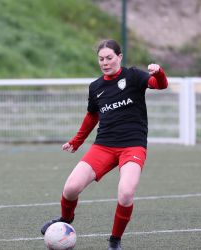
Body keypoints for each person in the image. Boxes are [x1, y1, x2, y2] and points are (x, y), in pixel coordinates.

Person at [40, 39, 168, 250]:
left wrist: (159, 72)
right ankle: (65, 219)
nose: (105, 62)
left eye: (109, 58)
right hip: (104, 145)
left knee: (126, 193)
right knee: (71, 188)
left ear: (119, 57)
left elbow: (160, 85)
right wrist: (76, 141)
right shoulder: (96, 87)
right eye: (101, 59)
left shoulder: (134, 76)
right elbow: (92, 117)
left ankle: (115, 240)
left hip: (132, 146)